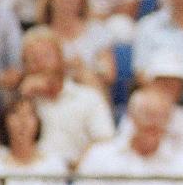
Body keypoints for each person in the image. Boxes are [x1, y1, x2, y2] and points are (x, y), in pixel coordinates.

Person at [17, 26, 115, 167]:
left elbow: (104, 142)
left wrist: (77, 169)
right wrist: (23, 99)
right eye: (32, 59)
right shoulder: (20, 102)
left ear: (61, 58)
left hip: (78, 176)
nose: (40, 64)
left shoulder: (88, 98)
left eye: (45, 56)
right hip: (33, 177)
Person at [36, 0, 116, 93]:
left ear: (82, 0)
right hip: (52, 92)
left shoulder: (96, 30)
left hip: (88, 90)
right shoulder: (40, 35)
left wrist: (81, 67)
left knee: (87, 77)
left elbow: (109, 73)